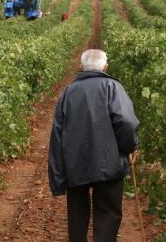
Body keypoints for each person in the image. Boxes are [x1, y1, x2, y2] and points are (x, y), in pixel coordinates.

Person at [48, 49, 139, 242]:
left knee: (77, 217)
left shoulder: (68, 92)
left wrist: (58, 178)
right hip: (110, 163)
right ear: (105, 67)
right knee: (108, 213)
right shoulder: (113, 87)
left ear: (80, 68)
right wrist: (129, 147)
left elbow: (57, 135)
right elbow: (126, 121)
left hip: (75, 165)